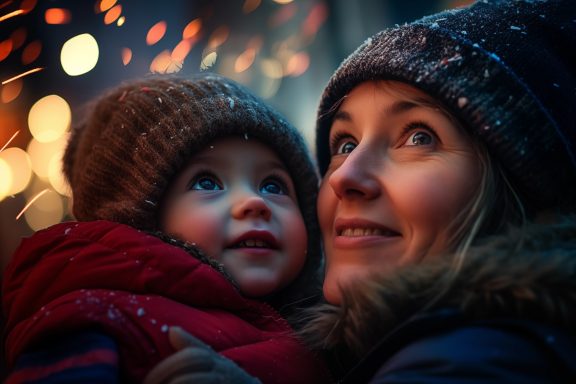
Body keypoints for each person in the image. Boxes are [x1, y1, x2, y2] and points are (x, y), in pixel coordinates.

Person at [143, 0, 576, 383]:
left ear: (523, 177)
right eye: (344, 144)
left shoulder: (476, 361)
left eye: (419, 137)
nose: (343, 176)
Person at [1, 73, 331, 383]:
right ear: (141, 217)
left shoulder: (327, 328)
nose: (255, 202)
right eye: (207, 182)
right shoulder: (93, 320)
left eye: (273, 185)